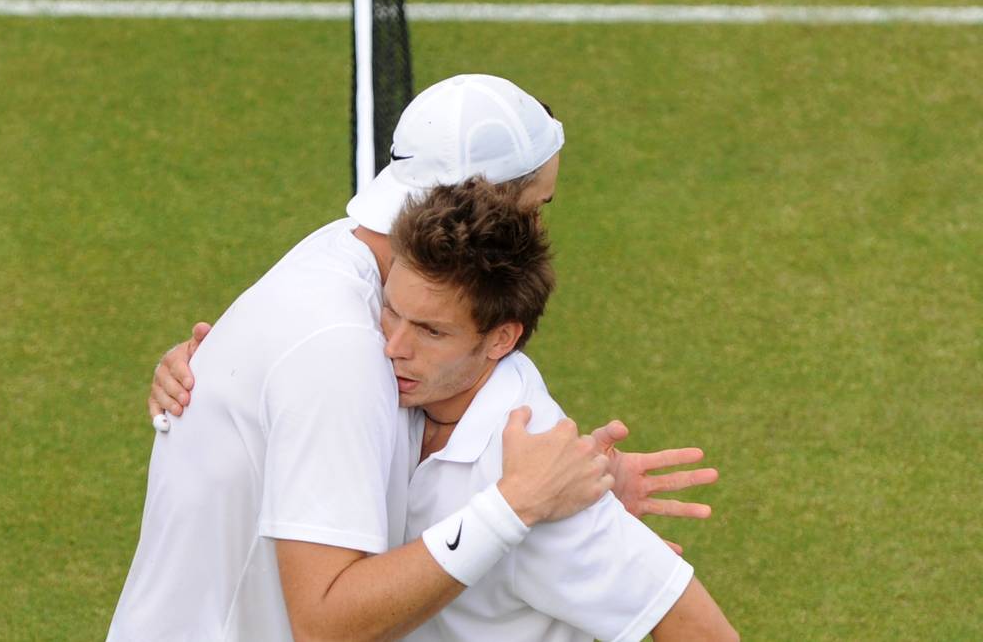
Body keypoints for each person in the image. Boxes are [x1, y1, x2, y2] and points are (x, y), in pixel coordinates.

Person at [108, 75, 617, 641]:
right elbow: (328, 624)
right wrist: (518, 502)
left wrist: (576, 480)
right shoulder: (342, 352)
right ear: (484, 207)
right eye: (536, 210)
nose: (539, 233)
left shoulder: (342, 254)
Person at [385, 179, 737, 640]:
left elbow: (705, 632)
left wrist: (593, 516)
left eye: (431, 332)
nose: (394, 347)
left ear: (501, 339)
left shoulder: (547, 489)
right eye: (391, 310)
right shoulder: (406, 383)